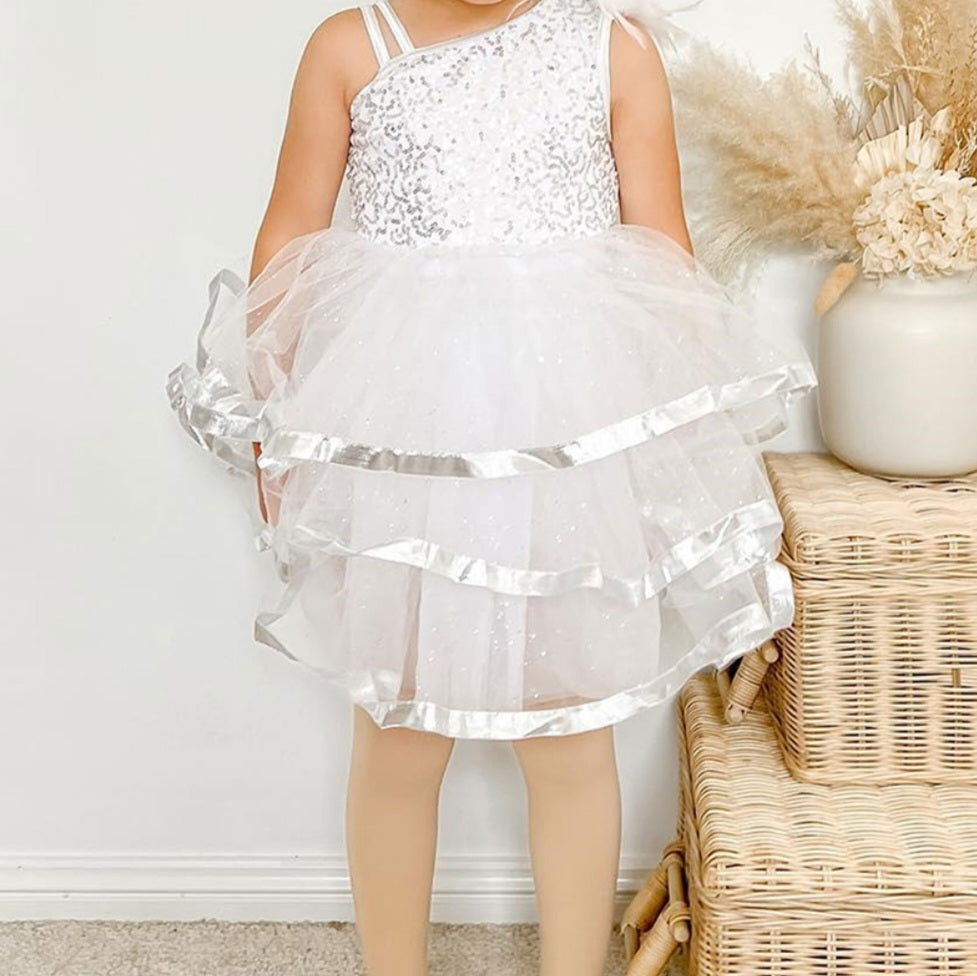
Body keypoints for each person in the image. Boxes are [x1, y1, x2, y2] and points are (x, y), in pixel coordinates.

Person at [165, 0, 816, 972]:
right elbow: (289, 241)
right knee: (397, 731)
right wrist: (274, 424)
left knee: (568, 734)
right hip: (406, 440)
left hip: (564, 439)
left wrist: (685, 445)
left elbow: (662, 259)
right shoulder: (349, 47)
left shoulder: (612, 48)